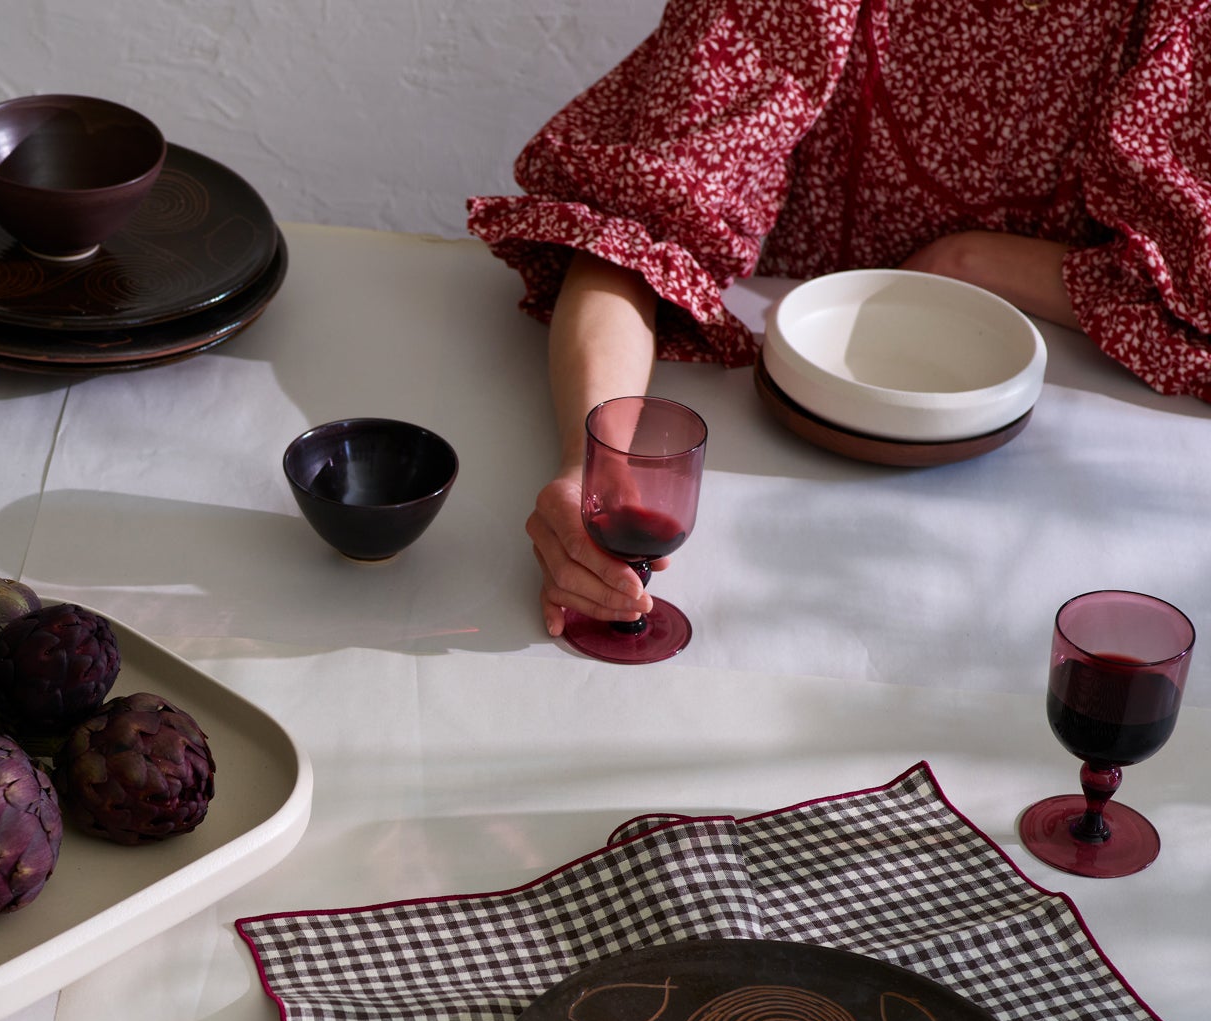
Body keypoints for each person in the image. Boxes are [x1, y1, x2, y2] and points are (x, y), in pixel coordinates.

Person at [468, 0, 1211, 639]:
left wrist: (977, 261)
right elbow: (633, 234)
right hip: (770, 474)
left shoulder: (1177, 19)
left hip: (1048, 521)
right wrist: (593, 466)